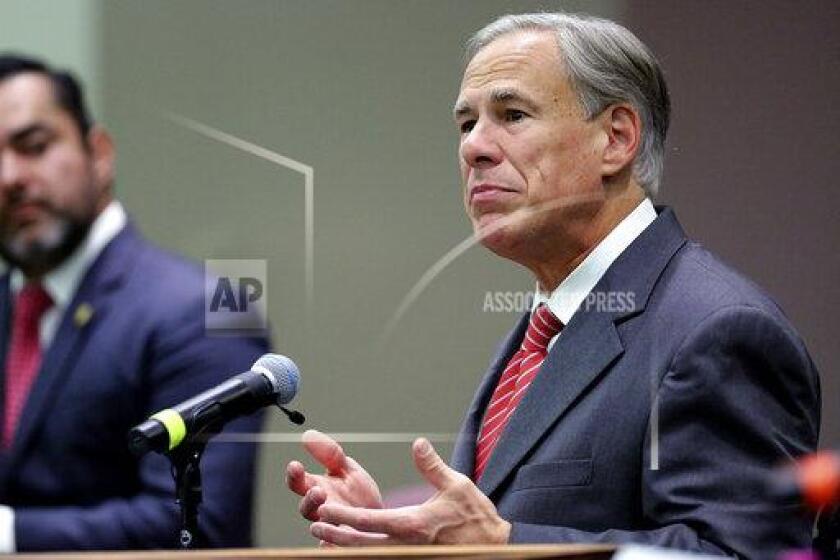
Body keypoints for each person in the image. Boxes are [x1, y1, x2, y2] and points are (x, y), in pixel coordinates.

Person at [285, 13, 821, 558]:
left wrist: (501, 542)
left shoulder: (719, 331)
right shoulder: (546, 327)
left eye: (512, 115)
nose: (475, 148)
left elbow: (740, 554)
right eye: (466, 123)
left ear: (616, 139)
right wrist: (403, 540)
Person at [0, 54, 269, 550]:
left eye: (33, 146)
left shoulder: (214, 305)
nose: (10, 176)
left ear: (98, 153)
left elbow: (204, 525)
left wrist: (9, 533)